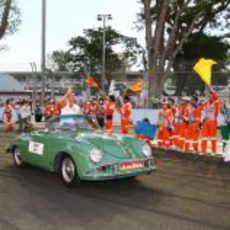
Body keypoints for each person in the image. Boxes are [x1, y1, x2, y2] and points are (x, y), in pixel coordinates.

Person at [200, 90, 219, 154]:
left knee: (213, 137)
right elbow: (202, 110)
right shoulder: (206, 102)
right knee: (204, 137)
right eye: (209, 95)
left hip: (213, 121)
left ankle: (213, 151)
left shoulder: (216, 102)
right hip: (206, 121)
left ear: (214, 96)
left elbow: (216, 112)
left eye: (211, 95)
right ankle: (203, 150)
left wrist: (213, 91)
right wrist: (202, 119)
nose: (210, 96)